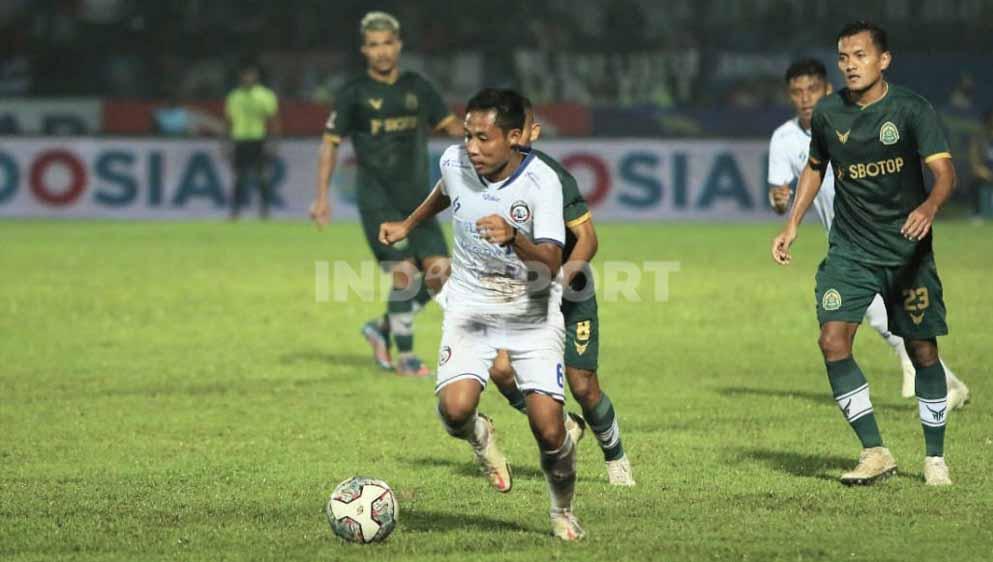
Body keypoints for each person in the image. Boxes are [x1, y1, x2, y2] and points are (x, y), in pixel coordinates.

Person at [379, 88, 585, 541]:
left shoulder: (542, 183)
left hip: (530, 304)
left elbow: (551, 261)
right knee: (454, 410)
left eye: (483, 138)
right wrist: (409, 225)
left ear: (514, 137)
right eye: (468, 135)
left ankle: (562, 511)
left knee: (549, 430)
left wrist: (514, 238)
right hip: (470, 302)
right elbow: (444, 192)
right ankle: (481, 435)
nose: (471, 147)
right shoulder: (455, 162)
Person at [772, 22, 959, 487]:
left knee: (922, 349)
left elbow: (945, 173)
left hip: (906, 252)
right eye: (843, 57)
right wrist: (793, 223)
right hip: (850, 251)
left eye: (859, 55)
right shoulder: (829, 113)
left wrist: (930, 206)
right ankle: (875, 450)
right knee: (832, 341)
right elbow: (816, 167)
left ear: (883, 60)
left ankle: (934, 456)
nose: (850, 64)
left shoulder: (912, 109)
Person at [485, 95, 635, 486]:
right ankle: (566, 424)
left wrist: (561, 280)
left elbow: (588, 238)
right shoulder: (485, 177)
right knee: (500, 370)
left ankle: (615, 456)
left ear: (532, 133)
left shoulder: (552, 178)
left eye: (522, 131)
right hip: (522, 294)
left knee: (583, 384)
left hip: (571, 291)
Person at [308, 11, 462, 376]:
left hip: (419, 201)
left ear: (399, 45)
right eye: (374, 45)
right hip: (378, 200)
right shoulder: (354, 94)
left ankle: (382, 328)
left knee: (442, 273)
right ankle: (407, 358)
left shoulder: (417, 87)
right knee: (405, 274)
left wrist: (480, 131)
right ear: (365, 49)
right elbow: (329, 144)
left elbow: (448, 124)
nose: (381, 51)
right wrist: (322, 197)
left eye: (387, 43)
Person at [225, 61, 280, 219]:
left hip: (259, 140)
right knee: (239, 178)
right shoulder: (234, 96)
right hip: (240, 139)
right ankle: (235, 212)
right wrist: (224, 142)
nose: (248, 77)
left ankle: (264, 211)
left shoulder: (265, 95)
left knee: (262, 176)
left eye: (251, 74)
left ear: (256, 76)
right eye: (246, 74)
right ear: (241, 76)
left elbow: (274, 120)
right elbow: (228, 121)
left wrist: (274, 142)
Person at [967, 109, 993, 218]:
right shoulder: (978, 138)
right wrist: (986, 173)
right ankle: (977, 214)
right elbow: (975, 163)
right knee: (976, 181)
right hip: (985, 173)